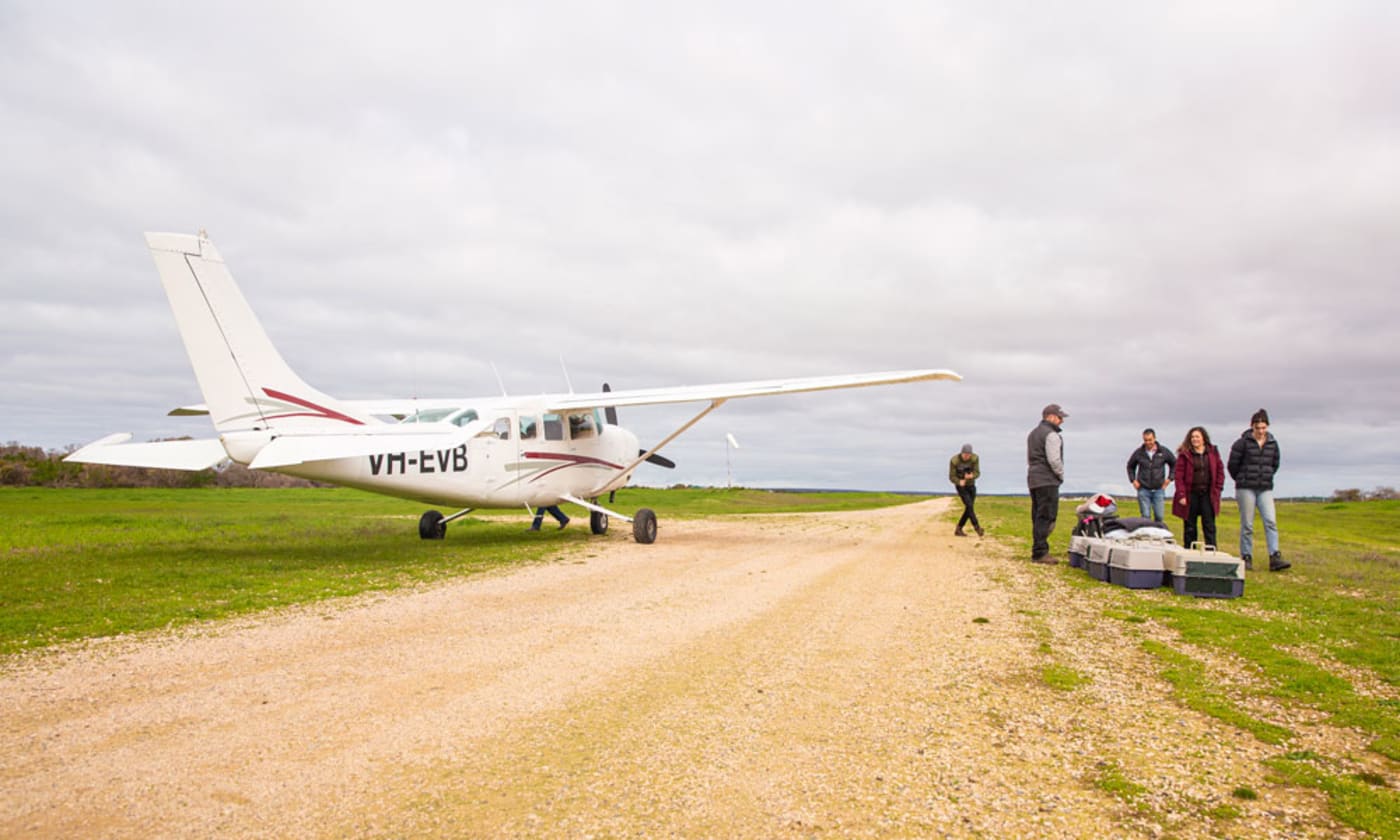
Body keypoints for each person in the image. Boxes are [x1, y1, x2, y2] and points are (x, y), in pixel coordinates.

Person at [1228, 408, 1288, 571]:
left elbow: (1275, 464)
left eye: (1263, 427)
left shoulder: (1272, 444)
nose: (1261, 431)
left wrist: (1266, 477)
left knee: (1271, 522)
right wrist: (1242, 479)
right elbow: (1232, 465)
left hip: (1265, 488)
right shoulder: (1241, 443)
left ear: (1267, 427)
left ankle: (1274, 556)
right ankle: (1246, 556)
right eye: (1257, 428)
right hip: (1246, 487)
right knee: (1247, 524)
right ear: (1252, 427)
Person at [1171, 426, 1224, 549]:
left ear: (1203, 438)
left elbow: (1220, 471)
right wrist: (1181, 494)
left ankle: (1211, 551)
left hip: (1208, 494)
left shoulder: (1213, 452)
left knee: (1209, 524)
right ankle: (1189, 551)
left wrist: (1217, 490)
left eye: (1197, 437)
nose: (1195, 439)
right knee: (1190, 526)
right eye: (1192, 437)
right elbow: (1179, 476)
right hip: (1190, 494)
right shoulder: (1184, 454)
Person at [1026, 404, 1067, 563]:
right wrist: (1060, 475)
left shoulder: (1032, 434)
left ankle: (1038, 548)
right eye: (1059, 417)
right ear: (1050, 416)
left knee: (1037, 515)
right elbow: (1054, 459)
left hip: (1034, 479)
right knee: (1047, 516)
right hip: (1047, 479)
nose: (1061, 421)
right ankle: (1040, 552)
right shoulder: (1051, 435)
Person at [1126, 428, 1176, 523]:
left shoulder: (1163, 451)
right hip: (1143, 489)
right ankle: (1147, 536)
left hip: (1159, 489)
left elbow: (1174, 464)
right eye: (1145, 440)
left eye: (1150, 440)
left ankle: (1159, 536)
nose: (1148, 442)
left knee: (1159, 516)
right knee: (1145, 516)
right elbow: (1130, 466)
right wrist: (1133, 480)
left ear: (1154, 438)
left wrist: (1170, 479)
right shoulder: (1139, 453)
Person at [949, 443, 984, 537]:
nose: (967, 457)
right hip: (961, 486)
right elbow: (951, 476)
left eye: (969, 455)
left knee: (969, 507)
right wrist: (959, 481)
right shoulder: (954, 460)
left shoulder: (975, 458)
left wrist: (972, 476)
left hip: (971, 485)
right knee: (969, 505)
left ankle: (959, 529)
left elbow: (977, 472)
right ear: (961, 453)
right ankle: (977, 528)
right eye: (965, 455)